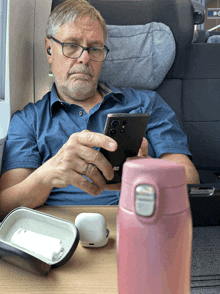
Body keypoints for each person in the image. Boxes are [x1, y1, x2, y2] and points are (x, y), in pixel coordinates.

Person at [0, 0, 199, 217]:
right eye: (72, 46)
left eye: (95, 48)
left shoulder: (147, 103)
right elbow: (6, 204)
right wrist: (49, 173)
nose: (84, 58)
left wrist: (149, 173)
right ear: (49, 50)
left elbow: (189, 179)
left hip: (139, 221)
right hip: (59, 231)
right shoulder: (28, 120)